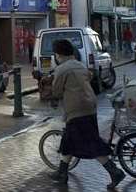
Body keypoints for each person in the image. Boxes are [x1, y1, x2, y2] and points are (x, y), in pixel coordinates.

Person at [49, 39, 125, 187]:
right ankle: (62, 173)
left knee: (91, 143)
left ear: (58, 54)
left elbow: (56, 91)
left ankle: (115, 172)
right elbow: (89, 77)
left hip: (76, 110)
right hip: (89, 106)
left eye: (56, 54)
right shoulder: (80, 66)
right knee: (68, 141)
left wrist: (56, 95)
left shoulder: (62, 69)